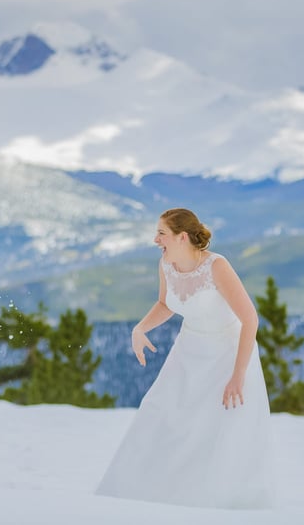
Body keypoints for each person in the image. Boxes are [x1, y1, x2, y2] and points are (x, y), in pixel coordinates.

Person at [95, 208, 275, 509]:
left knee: (215, 428)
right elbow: (166, 303)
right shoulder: (166, 264)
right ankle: (137, 493)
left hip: (227, 356)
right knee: (160, 411)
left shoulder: (217, 266)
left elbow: (250, 320)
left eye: (161, 234)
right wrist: (141, 328)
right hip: (188, 351)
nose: (156, 240)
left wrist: (238, 375)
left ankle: (210, 503)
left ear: (181, 237)